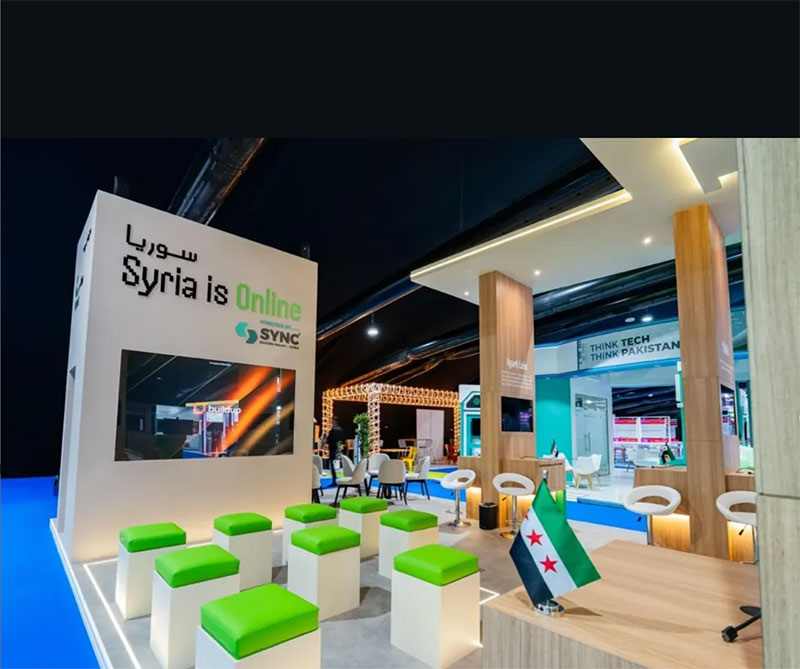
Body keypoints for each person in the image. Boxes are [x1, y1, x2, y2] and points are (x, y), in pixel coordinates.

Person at [326, 416, 347, 487]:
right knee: (333, 465)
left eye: (332, 420)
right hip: (334, 448)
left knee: (333, 465)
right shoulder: (337, 430)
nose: (331, 422)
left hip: (334, 449)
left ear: (335, 421)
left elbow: (332, 439)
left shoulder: (336, 430)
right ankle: (336, 480)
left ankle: (335, 480)